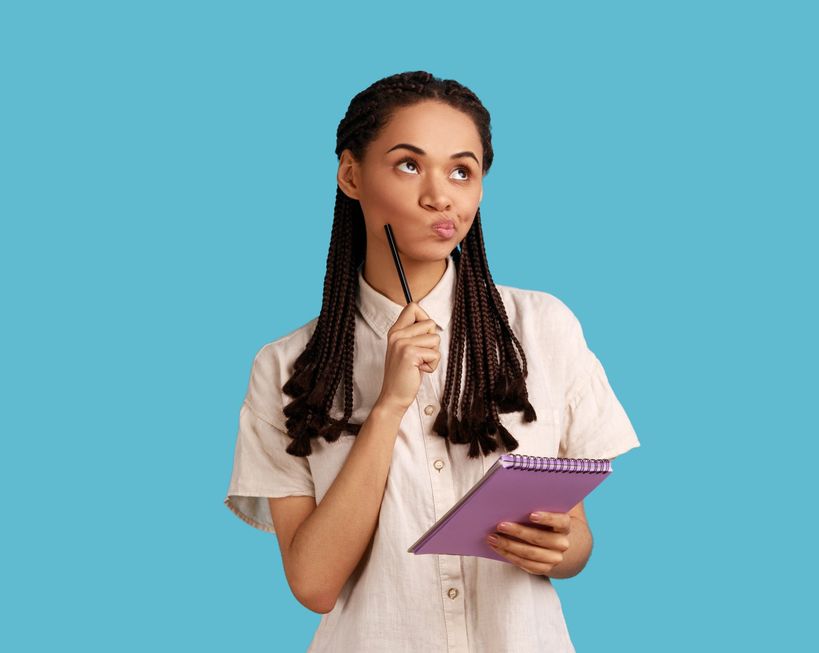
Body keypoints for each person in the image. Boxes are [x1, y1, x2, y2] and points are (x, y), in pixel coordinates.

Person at [223, 70, 640, 652]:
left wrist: (563, 548)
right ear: (351, 175)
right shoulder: (286, 366)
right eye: (409, 164)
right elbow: (314, 584)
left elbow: (575, 543)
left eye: (462, 171)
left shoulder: (542, 327)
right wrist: (389, 406)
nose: (440, 195)